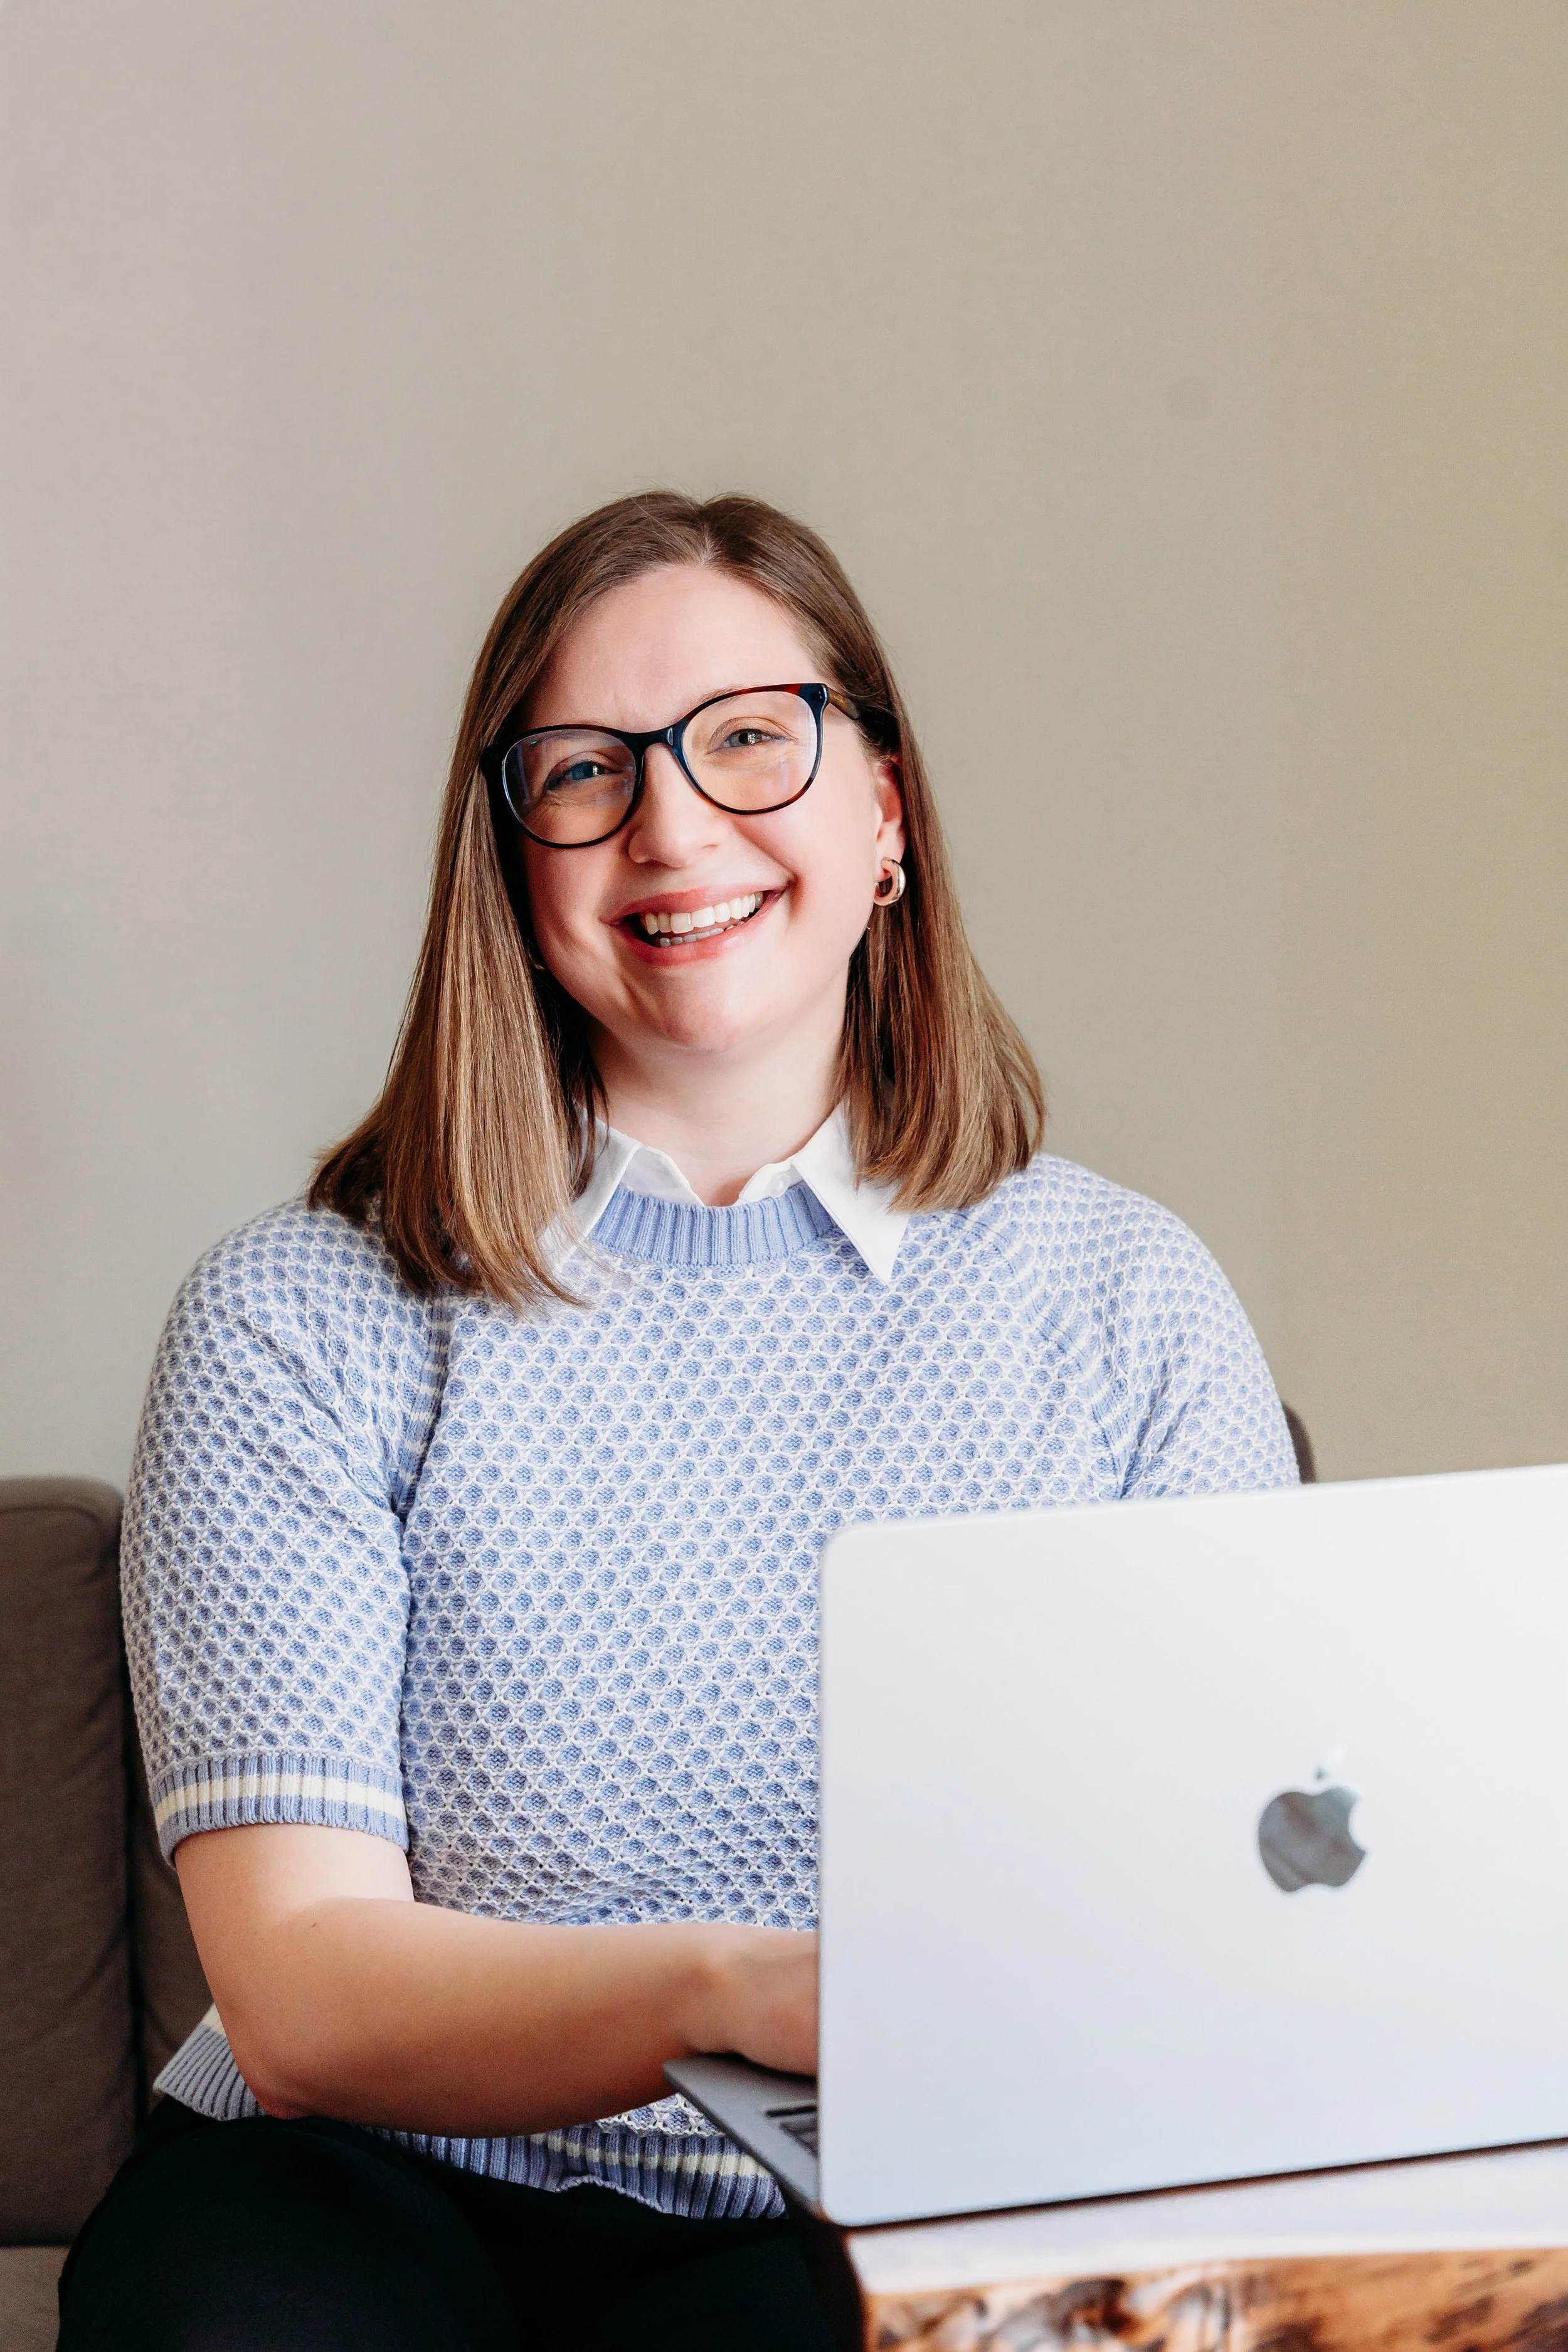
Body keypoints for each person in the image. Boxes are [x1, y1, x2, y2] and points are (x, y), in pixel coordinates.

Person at [59, 491, 1297, 2351]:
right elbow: (303, 1994)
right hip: (354, 2180)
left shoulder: (1122, 1306)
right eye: (583, 770)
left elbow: (1250, 1877)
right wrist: (745, 1987)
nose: (670, 824)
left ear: (884, 814)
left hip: (848, 2191)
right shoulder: (296, 1312)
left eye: (746, 739)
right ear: (512, 857)